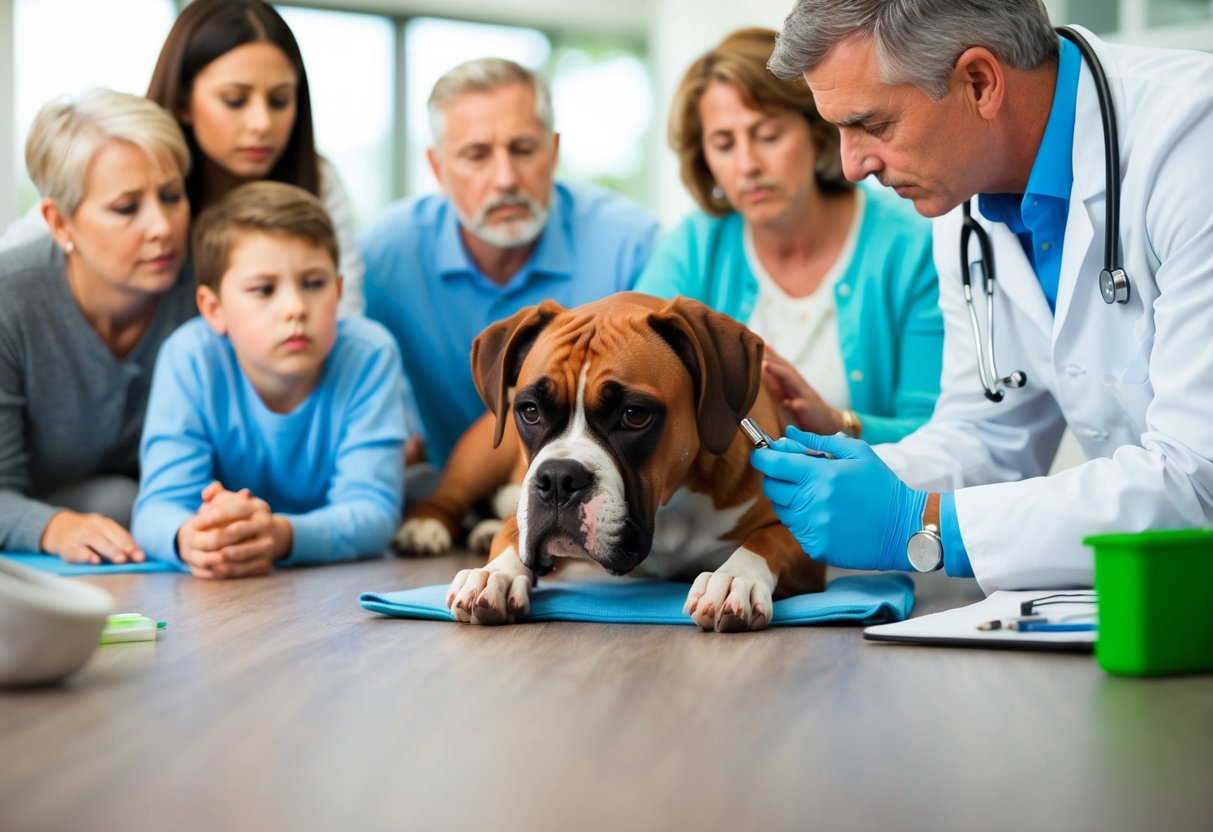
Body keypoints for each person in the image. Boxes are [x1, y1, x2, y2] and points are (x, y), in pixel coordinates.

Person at [751, 0, 1213, 592]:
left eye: (872, 125)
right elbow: (989, 435)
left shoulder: (1191, 143)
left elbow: (1197, 480)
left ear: (979, 82)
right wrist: (831, 488)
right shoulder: (964, 196)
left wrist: (921, 524)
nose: (850, 165)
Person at [635, 27, 941, 445]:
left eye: (768, 136)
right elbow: (634, 374)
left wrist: (837, 422)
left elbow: (946, 436)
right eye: (724, 144)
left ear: (818, 134)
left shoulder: (911, 249)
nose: (747, 165)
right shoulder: (694, 244)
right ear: (705, 160)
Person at [360, 57, 659, 474]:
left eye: (523, 149)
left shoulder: (633, 245)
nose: (505, 178)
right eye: (476, 155)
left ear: (553, 152)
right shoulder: (379, 259)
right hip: (432, 500)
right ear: (437, 168)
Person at [132, 182, 406, 578]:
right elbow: (157, 507)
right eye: (264, 289)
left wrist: (278, 534)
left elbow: (375, 512)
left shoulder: (370, 354)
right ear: (214, 308)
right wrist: (190, 537)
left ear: (339, 291)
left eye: (314, 283)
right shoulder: (188, 358)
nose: (295, 308)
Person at [0, 89, 194, 563]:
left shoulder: (207, 292)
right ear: (60, 222)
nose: (162, 227)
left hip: (140, 520)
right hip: (37, 527)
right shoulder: (11, 301)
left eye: (172, 196)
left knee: (117, 499)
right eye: (127, 208)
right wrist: (55, 528)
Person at [145, 0, 365, 317]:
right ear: (183, 102)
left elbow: (344, 313)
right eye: (235, 100)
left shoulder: (319, 180)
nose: (262, 123)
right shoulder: (135, 169)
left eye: (279, 100)